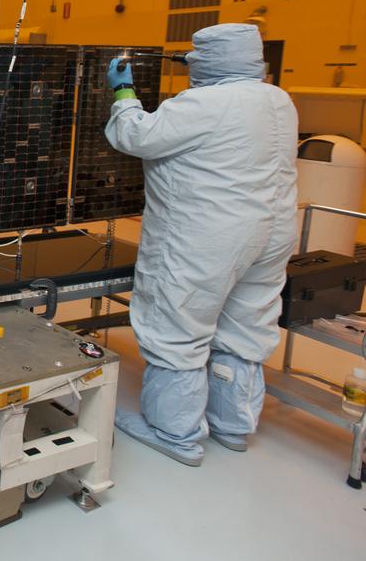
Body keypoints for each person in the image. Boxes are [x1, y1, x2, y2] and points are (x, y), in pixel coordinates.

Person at [104, 23, 297, 466]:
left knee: (177, 324)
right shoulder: (278, 101)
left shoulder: (203, 104)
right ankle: (233, 425)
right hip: (269, 235)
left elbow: (135, 137)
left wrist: (124, 94)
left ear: (208, 60)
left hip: (208, 238)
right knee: (246, 326)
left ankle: (176, 432)